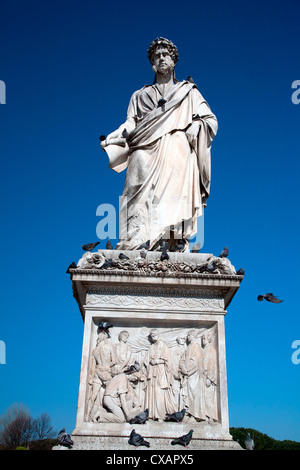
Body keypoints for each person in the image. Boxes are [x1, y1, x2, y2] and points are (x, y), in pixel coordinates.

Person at [101, 37, 218, 251]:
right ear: (151, 63)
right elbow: (130, 123)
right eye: (156, 56)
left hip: (177, 147)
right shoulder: (139, 95)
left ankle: (172, 241)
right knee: (133, 187)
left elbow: (210, 120)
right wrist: (115, 136)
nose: (161, 58)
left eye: (165, 55)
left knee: (175, 194)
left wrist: (197, 126)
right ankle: (134, 242)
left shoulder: (188, 92)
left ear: (174, 60)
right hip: (143, 146)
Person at [143, 329, 177, 421]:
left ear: (158, 335)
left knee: (159, 393)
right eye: (151, 336)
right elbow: (146, 359)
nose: (153, 337)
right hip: (152, 371)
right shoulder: (151, 347)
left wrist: (157, 361)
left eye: (154, 335)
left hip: (160, 371)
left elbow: (168, 360)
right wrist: (150, 361)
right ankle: (150, 414)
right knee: (151, 391)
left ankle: (160, 415)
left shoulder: (163, 346)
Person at [179, 330, 205, 422]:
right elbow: (182, 360)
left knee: (193, 394)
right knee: (187, 394)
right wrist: (183, 368)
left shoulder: (196, 347)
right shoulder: (189, 347)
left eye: (188, 335)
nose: (187, 337)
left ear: (192, 336)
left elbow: (196, 362)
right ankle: (188, 413)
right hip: (187, 374)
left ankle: (194, 415)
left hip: (193, 375)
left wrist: (188, 371)